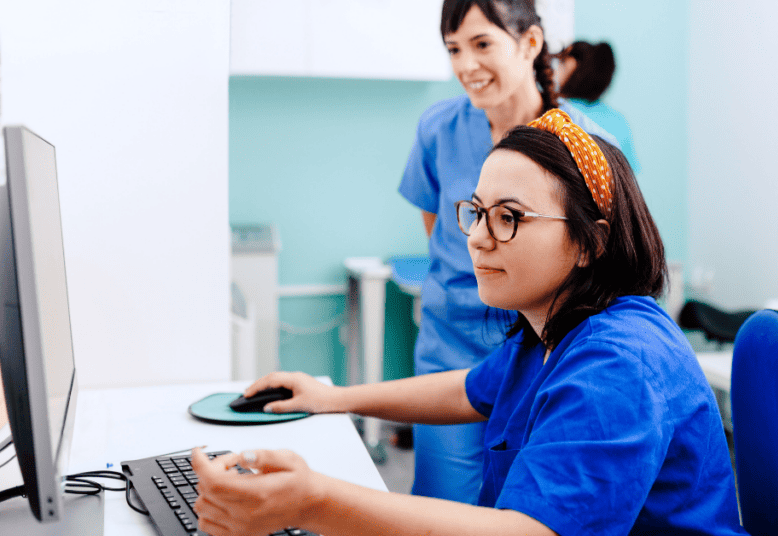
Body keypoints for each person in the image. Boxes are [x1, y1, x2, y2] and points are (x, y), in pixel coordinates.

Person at [191, 109, 747, 536]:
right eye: (477, 212)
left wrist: (311, 501)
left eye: (510, 218)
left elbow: (530, 533)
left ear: (589, 243)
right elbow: (468, 389)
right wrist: (334, 397)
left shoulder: (617, 364)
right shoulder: (553, 329)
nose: (477, 237)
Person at [397, 0, 615, 504]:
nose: (465, 66)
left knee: (525, 508)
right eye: (453, 49)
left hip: (542, 353)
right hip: (450, 349)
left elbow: (601, 261)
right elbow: (447, 237)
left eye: (482, 44)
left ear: (531, 43)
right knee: (441, 510)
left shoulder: (581, 144)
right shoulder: (439, 130)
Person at [555, 40, 639, 171]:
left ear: (574, 66)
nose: (556, 69)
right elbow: (629, 179)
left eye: (562, 62)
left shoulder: (557, 112)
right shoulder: (619, 122)